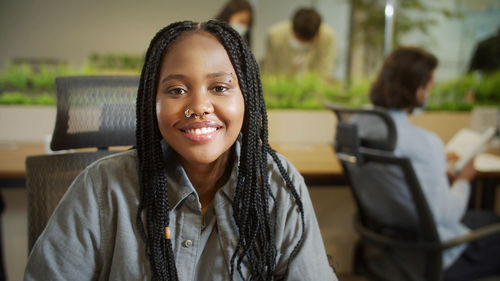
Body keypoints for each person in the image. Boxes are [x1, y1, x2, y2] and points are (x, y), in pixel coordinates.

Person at [24, 20, 337, 281]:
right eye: (176, 90)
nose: (199, 107)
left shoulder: (277, 186)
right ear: (153, 102)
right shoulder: (102, 187)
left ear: (248, 98)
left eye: (220, 87)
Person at [364, 46, 500, 281]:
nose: (430, 90)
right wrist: (464, 180)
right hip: (438, 255)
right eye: (429, 85)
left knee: (488, 218)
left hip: (393, 244)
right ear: (417, 88)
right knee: (488, 221)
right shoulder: (425, 144)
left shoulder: (360, 125)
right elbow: (447, 216)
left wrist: (436, 166)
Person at [261, 7, 336, 80]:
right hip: (281, 85)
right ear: (292, 29)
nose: (301, 43)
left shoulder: (327, 37)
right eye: (299, 39)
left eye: (306, 41)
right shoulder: (275, 35)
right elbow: (269, 71)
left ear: (317, 35)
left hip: (311, 87)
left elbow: (324, 72)